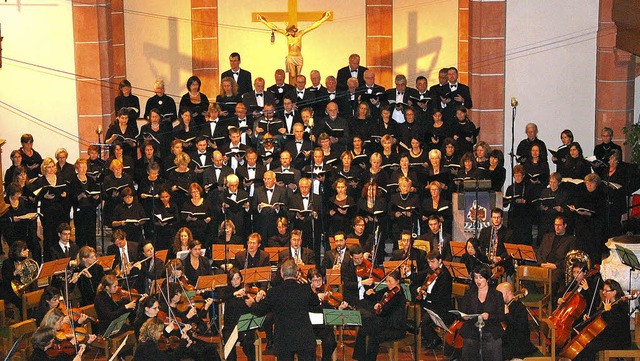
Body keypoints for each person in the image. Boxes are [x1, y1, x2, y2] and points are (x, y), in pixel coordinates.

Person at [253, 259, 321, 361]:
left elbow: (258, 311)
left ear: (281, 273)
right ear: (297, 273)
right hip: (304, 338)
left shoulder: (274, 292)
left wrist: (256, 301)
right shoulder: (305, 289)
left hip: (283, 339)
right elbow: (315, 302)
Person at [257, 12, 332, 84]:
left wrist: (324, 18)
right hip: (291, 57)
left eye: (291, 32)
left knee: (299, 75)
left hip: (298, 57)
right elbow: (275, 28)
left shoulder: (300, 34)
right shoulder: (287, 35)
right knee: (292, 75)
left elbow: (312, 26)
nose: (290, 34)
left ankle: (298, 88)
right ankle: (292, 88)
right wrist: (263, 21)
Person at [352, 270, 407, 361]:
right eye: (387, 281)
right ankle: (359, 358)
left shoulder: (399, 296)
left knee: (374, 337)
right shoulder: (388, 291)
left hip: (395, 327)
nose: (388, 284)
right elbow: (375, 296)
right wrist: (368, 294)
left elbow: (385, 311)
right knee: (363, 329)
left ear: (398, 281)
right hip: (384, 323)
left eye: (390, 281)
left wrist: (379, 307)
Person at [571, 279, 631, 361]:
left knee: (588, 346)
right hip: (607, 336)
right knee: (582, 341)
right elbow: (600, 318)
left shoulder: (621, 306)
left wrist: (608, 311)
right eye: (603, 290)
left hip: (618, 340)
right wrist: (590, 318)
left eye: (606, 291)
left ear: (614, 292)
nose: (603, 293)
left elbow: (614, 326)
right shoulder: (607, 303)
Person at [458, 265, 505, 361]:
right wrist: (464, 317)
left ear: (487, 278)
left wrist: (489, 316)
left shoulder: (497, 295)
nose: (478, 281)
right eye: (475, 277)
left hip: (491, 331)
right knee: (469, 349)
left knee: (493, 348)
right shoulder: (469, 294)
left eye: (481, 277)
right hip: (472, 330)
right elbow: (462, 312)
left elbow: (501, 316)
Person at [308, 268, 349, 361]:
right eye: (315, 280)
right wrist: (316, 299)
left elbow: (331, 312)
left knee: (331, 342)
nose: (318, 283)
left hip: (323, 327)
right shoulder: (307, 293)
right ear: (309, 280)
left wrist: (340, 309)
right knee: (308, 345)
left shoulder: (326, 292)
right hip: (309, 326)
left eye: (320, 280)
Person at [219, 268, 258, 361]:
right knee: (229, 343)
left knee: (248, 343)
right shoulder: (227, 291)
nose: (235, 281)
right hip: (230, 326)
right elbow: (221, 297)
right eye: (233, 279)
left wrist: (252, 303)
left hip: (244, 325)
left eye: (237, 278)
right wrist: (234, 294)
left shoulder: (246, 291)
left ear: (241, 279)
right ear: (230, 281)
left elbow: (251, 310)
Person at [33, 157, 69, 256]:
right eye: (49, 167)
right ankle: (49, 258)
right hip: (47, 211)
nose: (51, 169)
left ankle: (59, 257)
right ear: (44, 168)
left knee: (59, 234)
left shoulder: (60, 178)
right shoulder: (40, 181)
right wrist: (44, 196)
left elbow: (64, 192)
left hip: (59, 210)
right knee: (49, 236)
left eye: (53, 166)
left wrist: (64, 195)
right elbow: (36, 196)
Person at [417, 251, 453, 349]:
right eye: (429, 262)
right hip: (431, 303)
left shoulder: (445, 275)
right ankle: (431, 338)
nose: (430, 265)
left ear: (440, 260)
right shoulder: (432, 271)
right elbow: (420, 276)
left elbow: (440, 296)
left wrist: (426, 295)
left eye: (432, 262)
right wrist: (421, 289)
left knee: (424, 323)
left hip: (442, 307)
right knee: (418, 316)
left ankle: (435, 340)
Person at [569, 173, 607, 264]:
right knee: (581, 248)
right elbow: (577, 206)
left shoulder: (601, 195)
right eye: (587, 183)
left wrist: (589, 214)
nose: (589, 185)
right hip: (582, 225)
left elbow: (601, 212)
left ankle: (593, 269)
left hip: (594, 227)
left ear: (596, 184)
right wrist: (573, 208)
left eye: (591, 183)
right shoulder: (581, 193)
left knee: (593, 250)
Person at [538, 216, 577, 300]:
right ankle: (539, 300)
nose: (557, 227)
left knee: (553, 280)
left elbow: (571, 259)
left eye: (559, 225)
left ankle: (550, 302)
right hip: (543, 266)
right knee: (525, 276)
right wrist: (542, 263)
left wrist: (555, 265)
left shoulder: (570, 240)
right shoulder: (547, 236)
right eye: (555, 225)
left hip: (558, 268)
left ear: (565, 225)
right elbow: (539, 252)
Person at [496, 282, 537, 360]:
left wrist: (507, 315)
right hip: (509, 340)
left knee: (494, 352)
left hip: (518, 344)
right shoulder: (504, 305)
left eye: (499, 294)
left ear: (508, 293)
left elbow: (519, 328)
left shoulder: (519, 308)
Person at [69, 158, 100, 249]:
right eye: (81, 167)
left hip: (90, 210)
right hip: (80, 211)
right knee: (81, 234)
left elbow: (96, 192)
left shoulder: (91, 180)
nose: (83, 169)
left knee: (91, 234)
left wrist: (96, 197)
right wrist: (80, 196)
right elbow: (71, 198)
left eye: (85, 167)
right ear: (77, 168)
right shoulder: (73, 181)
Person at [504, 164, 534, 245]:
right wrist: (507, 200)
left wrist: (525, 201)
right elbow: (505, 204)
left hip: (525, 216)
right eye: (515, 176)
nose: (517, 178)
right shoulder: (510, 188)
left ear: (523, 176)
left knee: (524, 239)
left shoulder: (529, 187)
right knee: (513, 238)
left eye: (519, 175)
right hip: (513, 216)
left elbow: (533, 202)